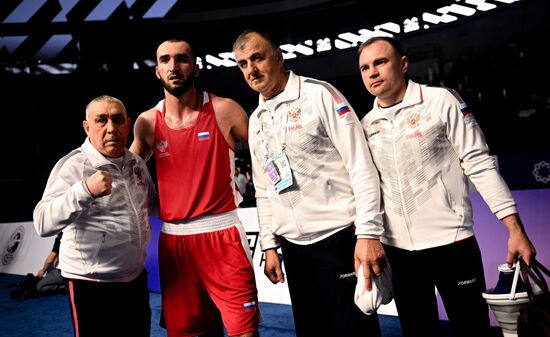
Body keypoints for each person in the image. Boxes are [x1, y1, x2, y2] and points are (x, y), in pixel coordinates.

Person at [357, 36, 537, 337]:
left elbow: (479, 163)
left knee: (472, 332)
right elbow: (366, 188)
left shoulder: (442, 101)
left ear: (403, 64)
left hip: (453, 245)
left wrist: (514, 229)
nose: (372, 72)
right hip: (398, 252)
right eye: (364, 67)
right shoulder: (365, 124)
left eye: (380, 62)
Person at [233, 29, 385, 337]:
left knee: (355, 332)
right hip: (293, 249)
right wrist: (270, 244)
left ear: (279, 56)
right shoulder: (256, 119)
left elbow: (361, 165)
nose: (251, 69)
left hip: (338, 240)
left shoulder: (319, 94)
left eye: (258, 58)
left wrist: (368, 233)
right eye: (243, 64)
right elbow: (263, 189)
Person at [130, 38, 260, 337]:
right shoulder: (147, 122)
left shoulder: (225, 110)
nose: (173, 66)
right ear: (157, 71)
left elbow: (270, 156)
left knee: (244, 331)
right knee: (187, 333)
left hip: (223, 235)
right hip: (174, 242)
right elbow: (126, 175)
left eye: (182, 59)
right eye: (165, 60)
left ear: (196, 68)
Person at [33, 95, 156, 337]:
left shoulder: (136, 164)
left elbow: (150, 205)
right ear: (87, 127)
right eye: (102, 120)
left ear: (128, 124)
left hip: (135, 280)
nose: (111, 128)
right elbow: (42, 221)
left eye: (118, 120)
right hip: (91, 286)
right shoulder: (73, 165)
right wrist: (84, 190)